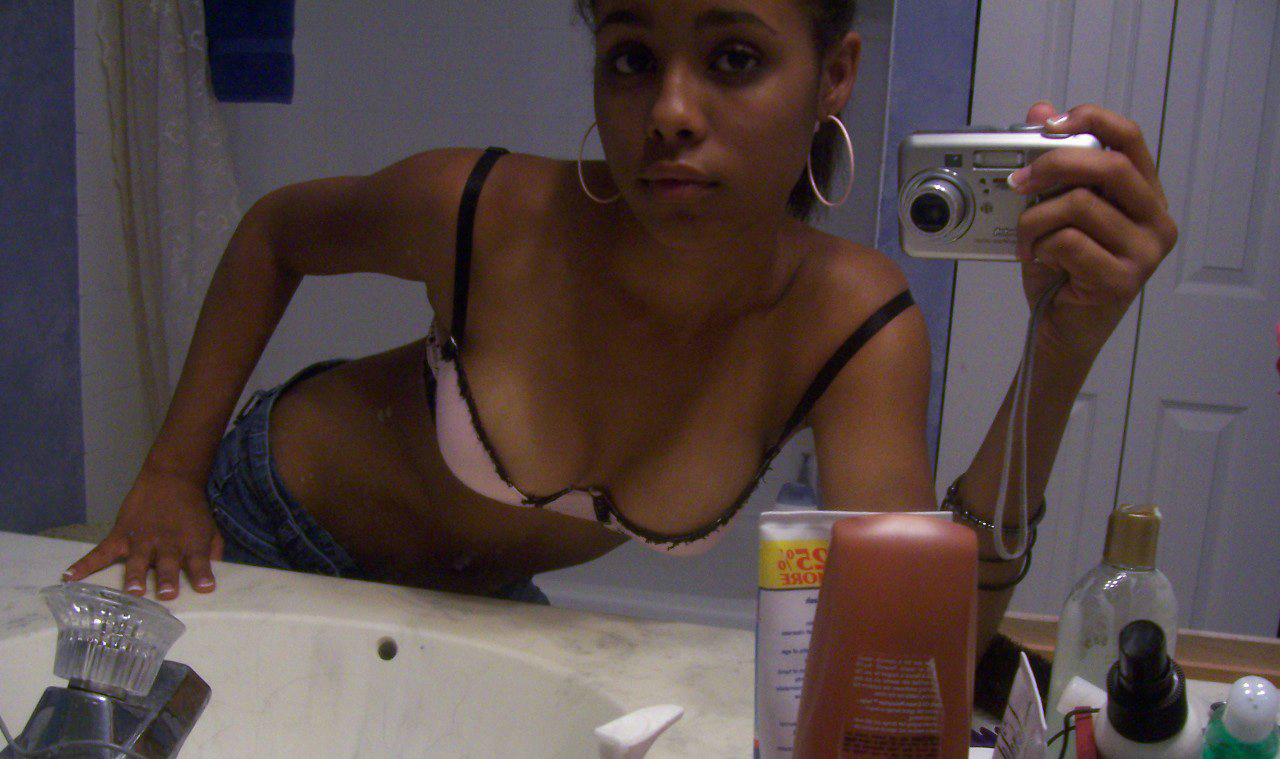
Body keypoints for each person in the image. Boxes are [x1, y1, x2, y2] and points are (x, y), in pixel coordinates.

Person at [64, 0, 1177, 655]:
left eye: (733, 58)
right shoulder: (482, 210)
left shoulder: (848, 324)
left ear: (834, 73)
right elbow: (275, 234)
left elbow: (911, 650)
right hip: (261, 536)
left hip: (478, 613)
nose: (672, 111)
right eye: (632, 57)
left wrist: (1059, 353)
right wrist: (171, 471)